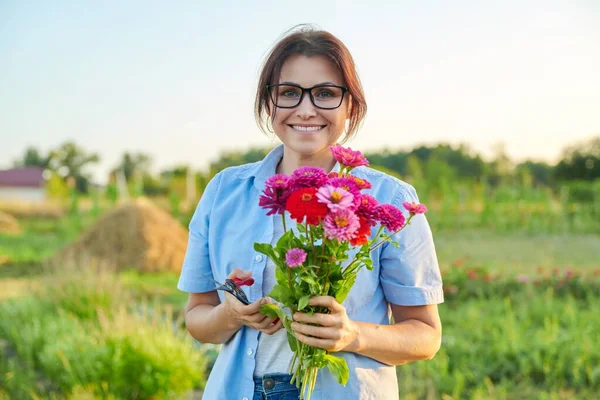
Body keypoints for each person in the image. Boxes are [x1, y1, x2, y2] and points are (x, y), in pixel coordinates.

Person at [177, 25, 444, 400]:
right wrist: (230, 316)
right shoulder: (225, 192)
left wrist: (353, 335)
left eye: (325, 94)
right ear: (269, 104)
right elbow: (197, 318)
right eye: (288, 93)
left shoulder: (390, 200)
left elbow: (425, 335)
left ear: (350, 106)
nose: (306, 109)